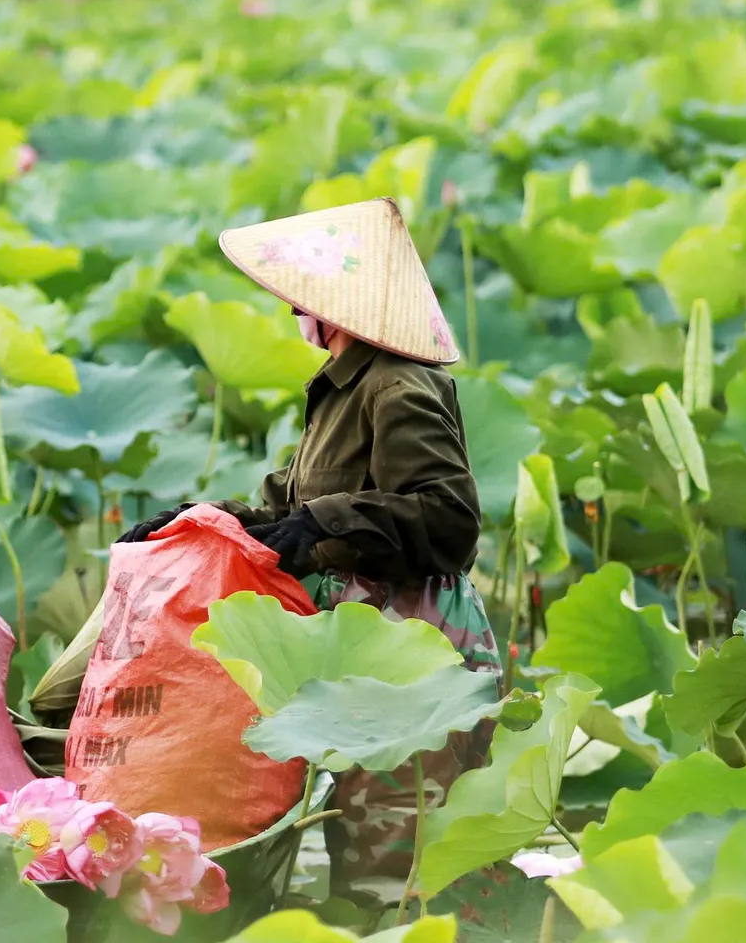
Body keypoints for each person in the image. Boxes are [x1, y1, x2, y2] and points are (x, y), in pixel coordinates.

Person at [119, 197, 497, 898]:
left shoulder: (398, 384)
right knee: (358, 824)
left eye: (302, 298)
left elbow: (449, 518)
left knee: (400, 844)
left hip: (411, 640)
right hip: (355, 638)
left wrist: (326, 522)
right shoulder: (341, 386)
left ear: (336, 305)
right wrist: (201, 520)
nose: (294, 309)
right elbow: (289, 509)